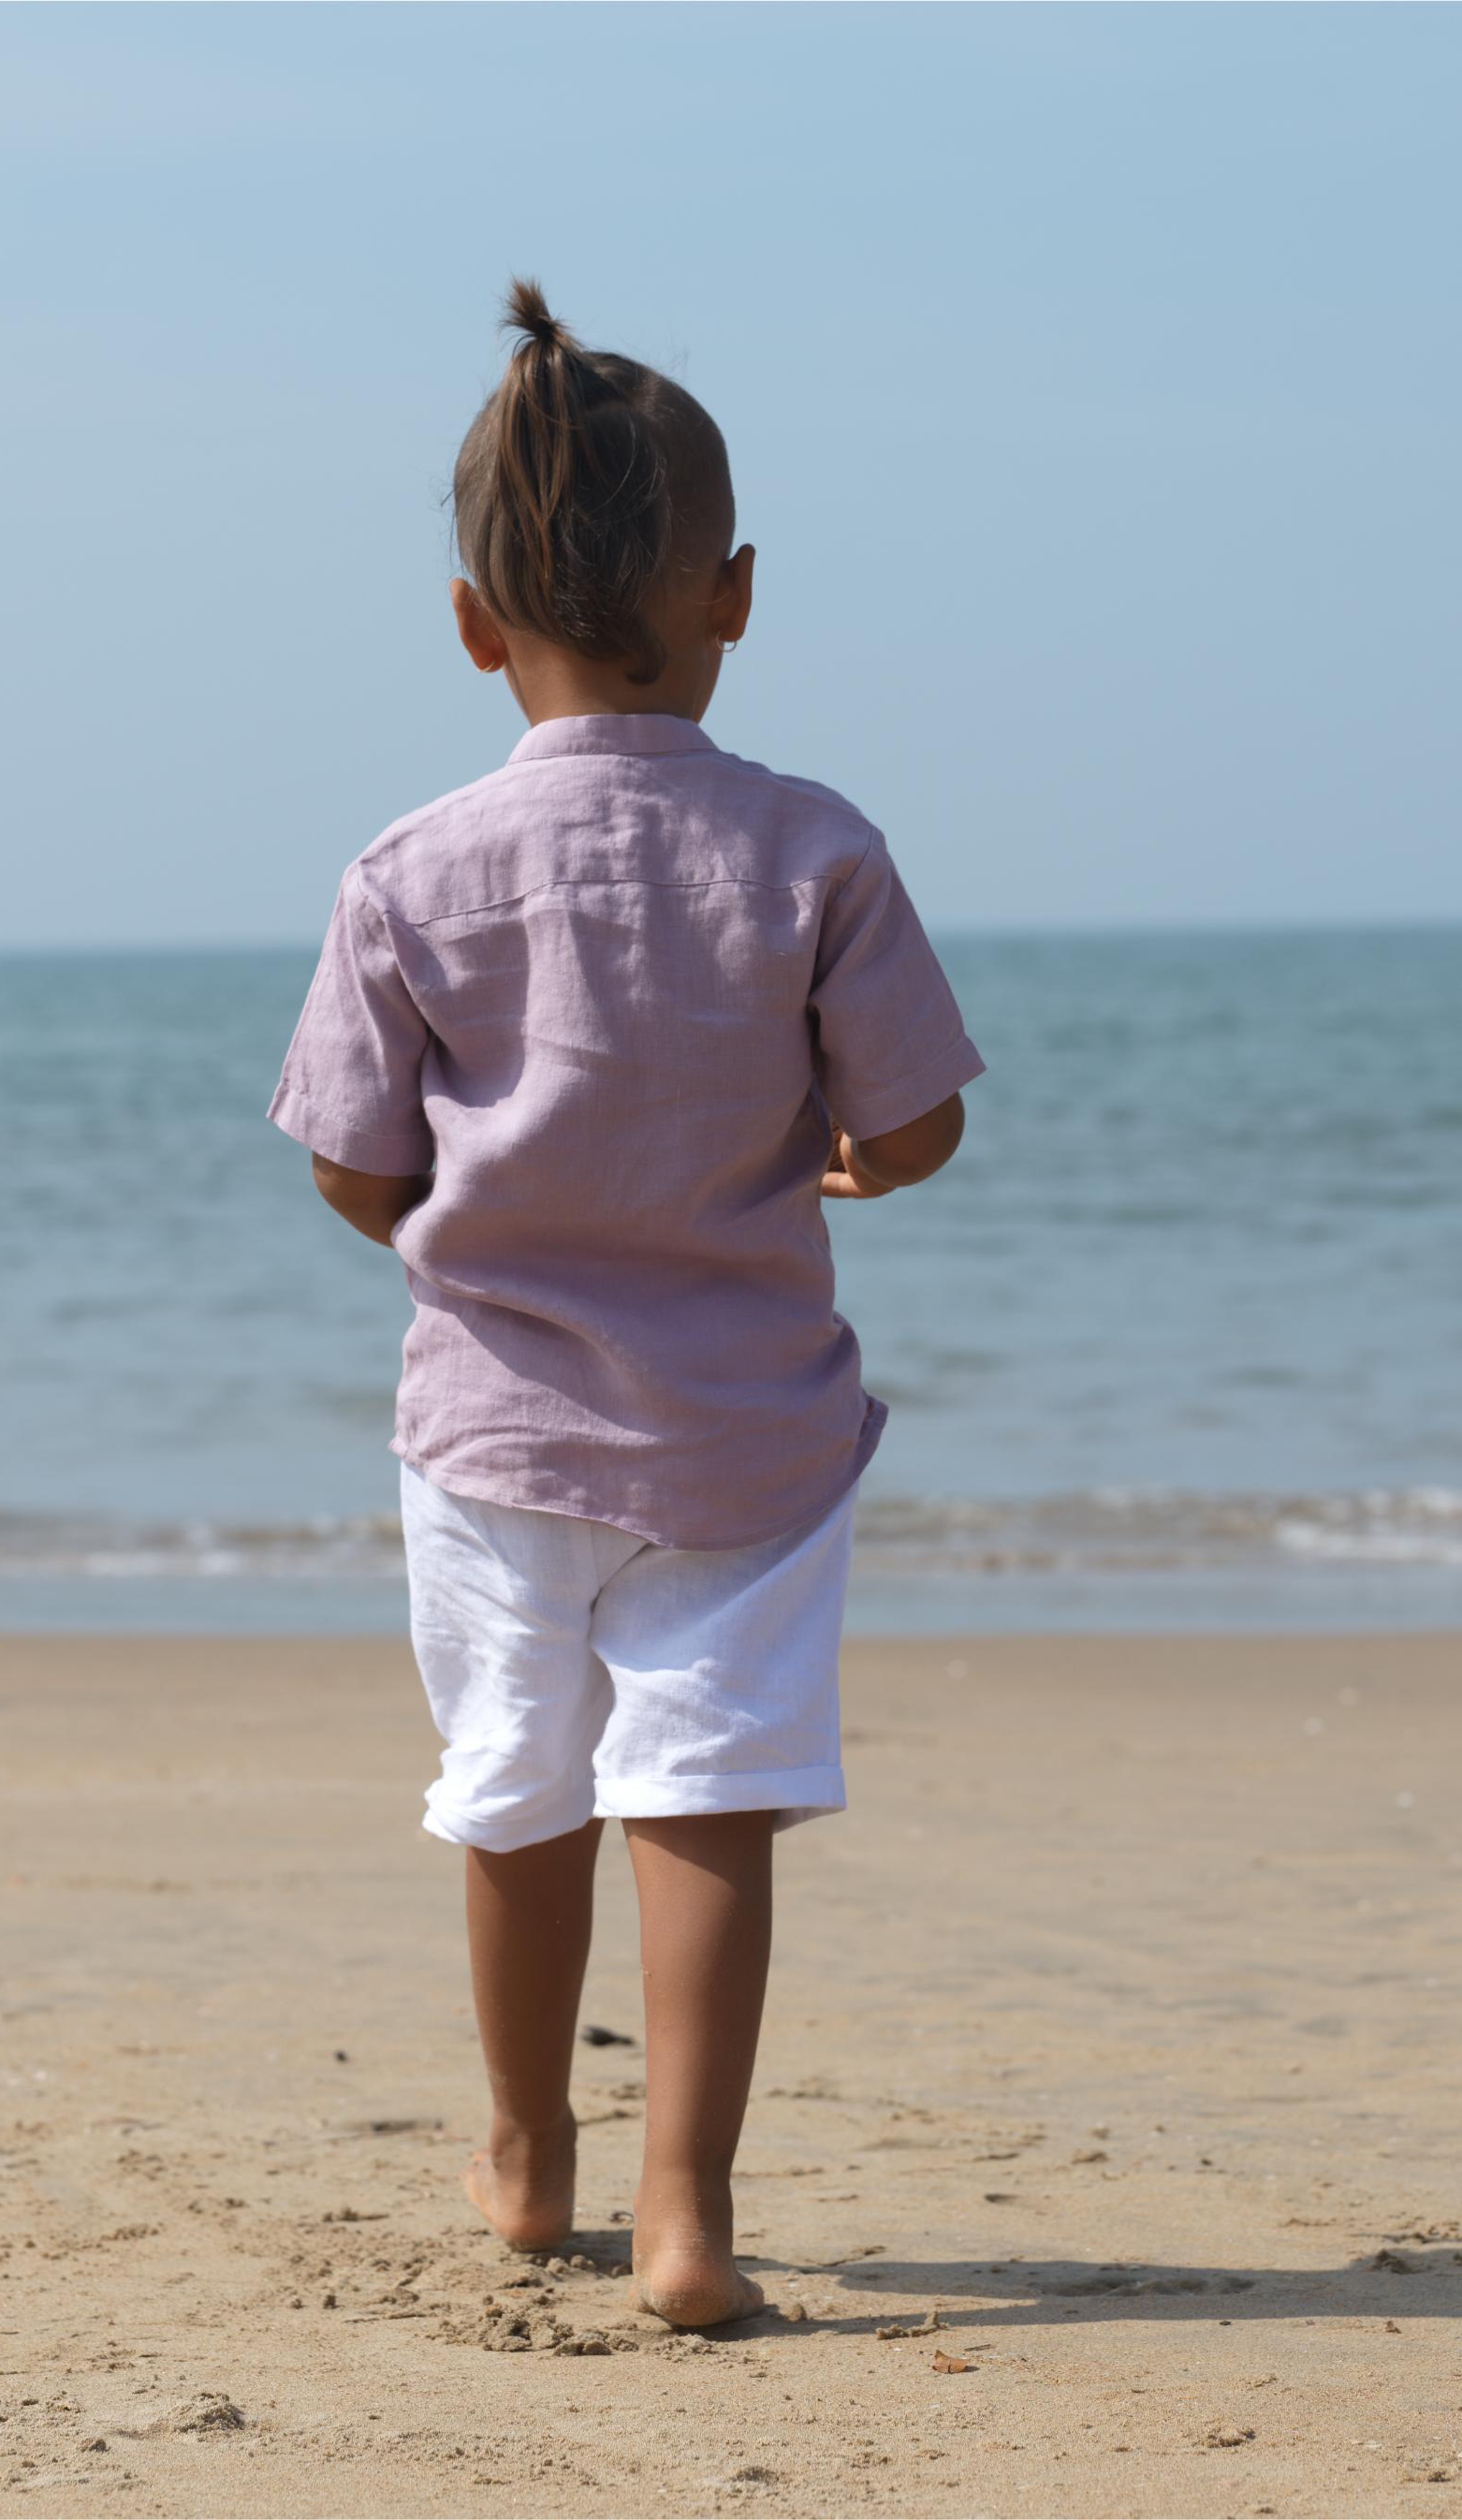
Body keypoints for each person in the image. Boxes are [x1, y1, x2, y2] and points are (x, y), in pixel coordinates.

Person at [268, 281, 983, 2330]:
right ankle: (685, 2215)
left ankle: (524, 2157)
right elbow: (915, 1122)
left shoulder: (408, 869)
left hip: (495, 1431)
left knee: (512, 1786)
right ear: (732, 591)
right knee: (710, 1793)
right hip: (746, 1433)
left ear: (471, 620)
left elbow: (350, 1166)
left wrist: (469, 1223)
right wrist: (845, 1162)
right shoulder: (813, 847)